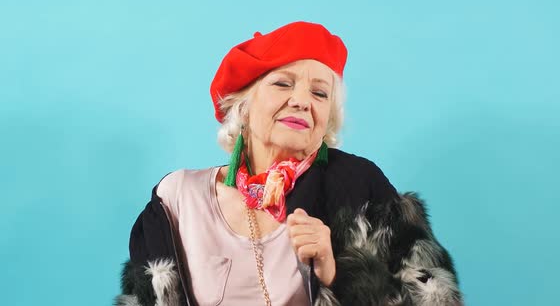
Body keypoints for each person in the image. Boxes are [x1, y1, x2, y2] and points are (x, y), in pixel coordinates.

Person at [114, 21, 463, 306]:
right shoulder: (178, 199)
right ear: (243, 106)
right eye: (283, 83)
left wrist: (339, 273)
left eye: (319, 93)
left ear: (328, 118)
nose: (301, 101)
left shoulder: (360, 189)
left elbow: (438, 299)